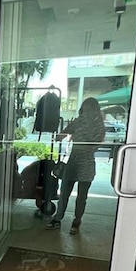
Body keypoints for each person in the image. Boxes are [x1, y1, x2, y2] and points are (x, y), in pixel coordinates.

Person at [46, 97, 106, 233]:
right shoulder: (99, 125)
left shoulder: (81, 121)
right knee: (80, 196)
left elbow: (60, 136)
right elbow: (95, 144)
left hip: (77, 160)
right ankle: (76, 222)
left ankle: (59, 219)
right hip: (85, 161)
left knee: (66, 193)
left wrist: (61, 135)